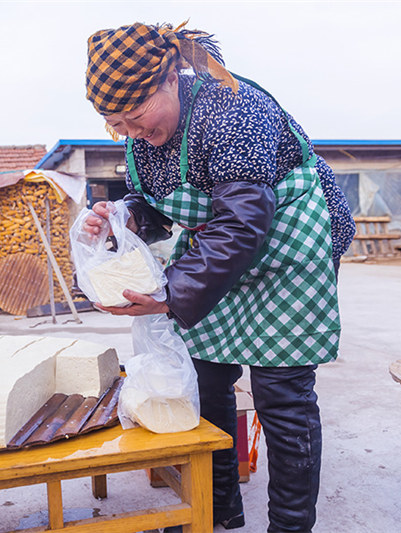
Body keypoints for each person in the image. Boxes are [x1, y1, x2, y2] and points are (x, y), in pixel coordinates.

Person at [82, 22, 356, 533]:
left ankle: (290, 526)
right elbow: (162, 203)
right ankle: (214, 508)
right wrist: (124, 216)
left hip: (289, 243)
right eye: (115, 123)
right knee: (205, 378)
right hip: (221, 248)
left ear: (169, 78)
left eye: (135, 116)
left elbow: (242, 221)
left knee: (282, 393)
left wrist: (170, 295)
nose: (129, 132)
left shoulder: (232, 107)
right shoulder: (143, 140)